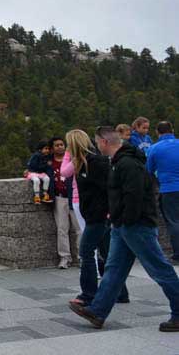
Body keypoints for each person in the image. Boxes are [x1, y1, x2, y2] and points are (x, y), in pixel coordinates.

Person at [69, 126, 179, 332]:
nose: (96, 146)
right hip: (122, 225)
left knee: (159, 269)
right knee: (114, 269)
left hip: (135, 225)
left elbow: (134, 195)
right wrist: (117, 219)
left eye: (96, 142)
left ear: (104, 142)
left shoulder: (127, 164)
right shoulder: (118, 163)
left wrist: (125, 219)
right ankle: (98, 311)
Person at [64, 129, 128, 307]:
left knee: (86, 252)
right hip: (97, 215)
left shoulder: (94, 163)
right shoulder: (85, 163)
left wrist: (108, 211)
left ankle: (88, 294)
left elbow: (109, 187)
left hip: (98, 216)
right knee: (108, 254)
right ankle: (120, 292)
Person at [147, 120, 179, 262]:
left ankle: (177, 253)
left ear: (157, 132)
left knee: (173, 222)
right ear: (172, 130)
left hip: (168, 189)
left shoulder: (154, 148)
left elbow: (148, 170)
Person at [50, 137, 80, 268]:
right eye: (56, 145)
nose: (60, 147)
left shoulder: (73, 160)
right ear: (52, 148)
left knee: (79, 229)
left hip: (74, 197)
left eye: (62, 144)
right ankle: (64, 257)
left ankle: (81, 256)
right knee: (62, 229)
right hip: (59, 197)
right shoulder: (49, 162)